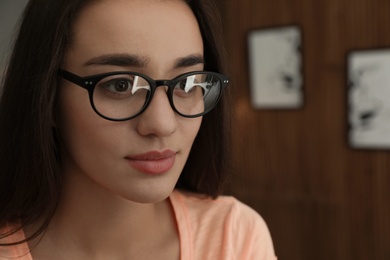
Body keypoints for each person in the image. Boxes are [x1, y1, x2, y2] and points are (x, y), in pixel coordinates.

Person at [0, 0, 277, 259]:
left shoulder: (235, 238)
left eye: (188, 84)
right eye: (121, 85)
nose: (162, 124)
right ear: (46, 97)